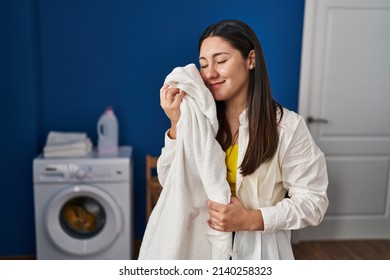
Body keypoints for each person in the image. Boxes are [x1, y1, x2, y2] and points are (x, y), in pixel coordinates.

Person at [158, 19, 328, 259]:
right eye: (204, 64)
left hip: (260, 256)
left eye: (221, 61)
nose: (210, 73)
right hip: (201, 251)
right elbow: (171, 183)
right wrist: (176, 123)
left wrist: (251, 219)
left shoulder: (287, 127)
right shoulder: (199, 122)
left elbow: (314, 202)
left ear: (250, 60)